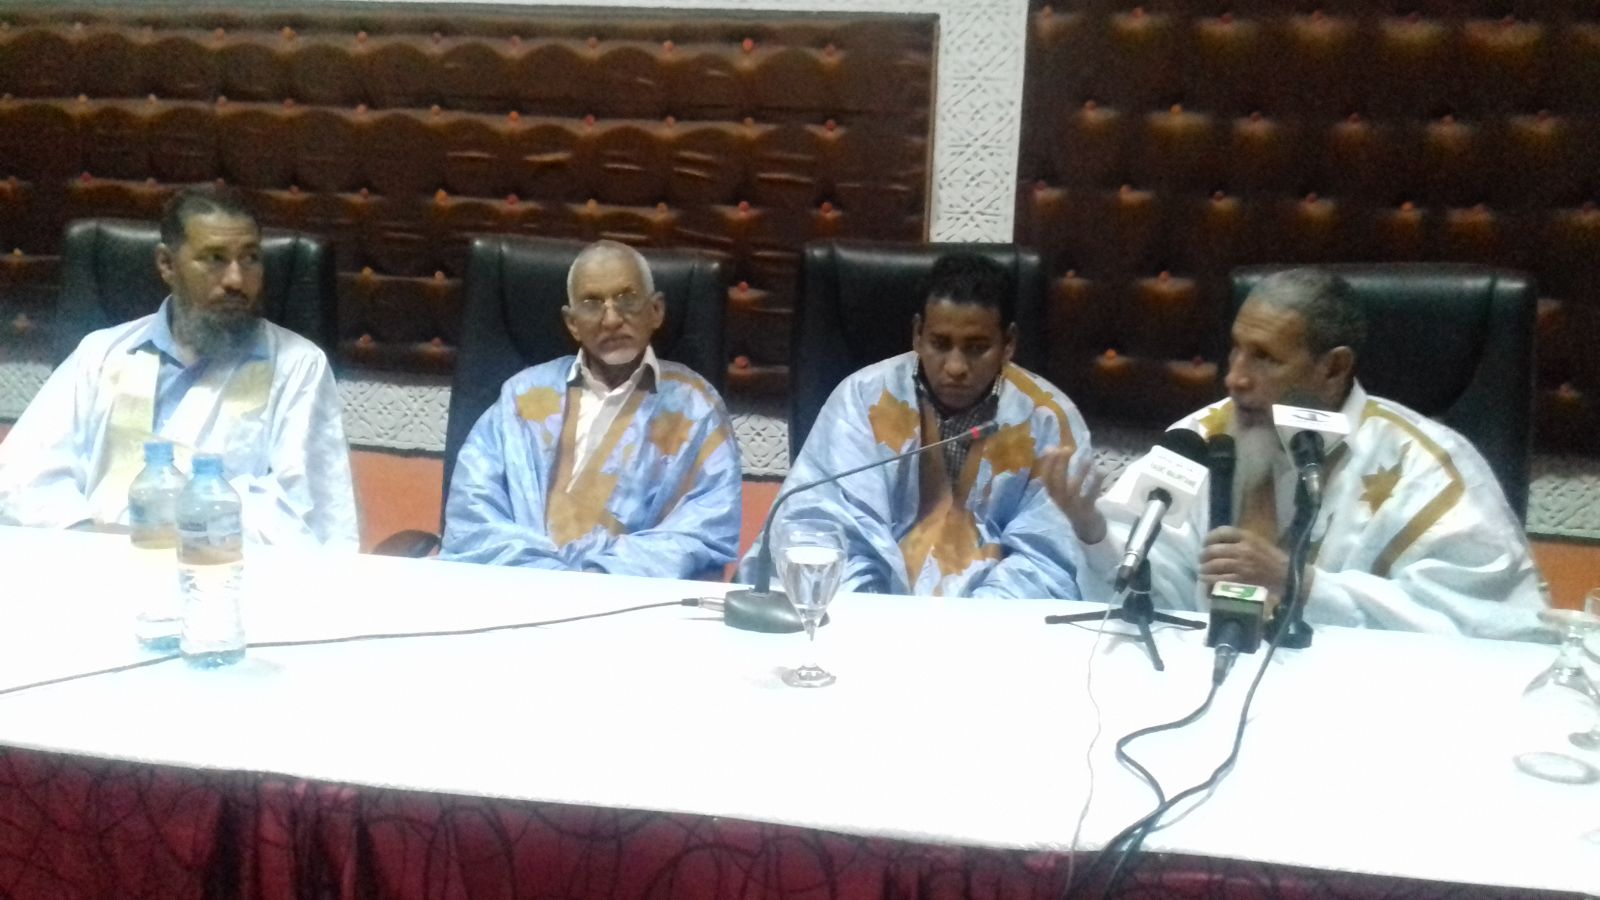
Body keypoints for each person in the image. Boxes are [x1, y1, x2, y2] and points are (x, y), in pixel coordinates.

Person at [1042, 267, 1546, 639]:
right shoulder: (1198, 439)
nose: (1235, 378)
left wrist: (1301, 585)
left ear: (1333, 369)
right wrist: (1094, 532)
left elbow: (1489, 629)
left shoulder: (1429, 469)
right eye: (1236, 349)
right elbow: (1153, 598)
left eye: (1264, 358)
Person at [0, 184, 359, 549]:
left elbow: (309, 515)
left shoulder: (296, 366)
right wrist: (97, 538)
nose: (236, 279)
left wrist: (162, 535)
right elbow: (21, 477)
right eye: (215, 258)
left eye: (250, 258)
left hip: (226, 571)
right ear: (167, 264)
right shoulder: (102, 354)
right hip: (92, 562)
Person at [741, 253, 1093, 598]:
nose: (955, 367)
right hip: (866, 610)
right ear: (918, 334)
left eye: (976, 348)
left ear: (1008, 343)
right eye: (940, 344)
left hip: (990, 621)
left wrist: (975, 622)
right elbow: (818, 524)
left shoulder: (1050, 421)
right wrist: (871, 613)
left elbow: (1046, 561)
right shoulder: (863, 397)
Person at [440, 240, 741, 577]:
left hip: (634, 598)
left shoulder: (696, 407)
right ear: (572, 323)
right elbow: (472, 514)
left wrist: (597, 576)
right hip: (517, 586)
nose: (611, 319)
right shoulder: (521, 397)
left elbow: (702, 531)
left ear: (656, 310)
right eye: (592, 304)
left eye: (627, 298)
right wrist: (547, 575)